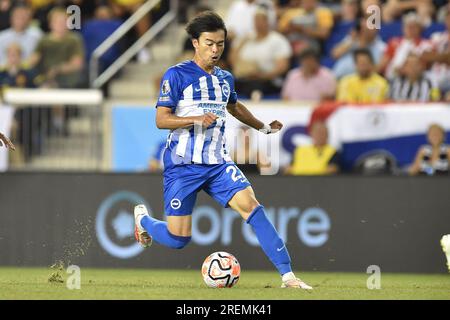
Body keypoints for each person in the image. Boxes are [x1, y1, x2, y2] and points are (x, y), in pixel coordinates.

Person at [133, 11, 312, 290]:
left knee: (254, 208)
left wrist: (263, 127)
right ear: (195, 42)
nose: (215, 50)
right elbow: (161, 119)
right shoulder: (177, 75)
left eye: (220, 44)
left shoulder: (225, 78)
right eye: (209, 43)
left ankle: (288, 278)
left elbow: (234, 106)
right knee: (178, 240)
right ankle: (143, 220)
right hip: (183, 165)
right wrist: (195, 119)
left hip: (217, 163)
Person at [230, 7, 292, 98]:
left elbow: (282, 67)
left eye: (261, 20)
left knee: (255, 86)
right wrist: (242, 43)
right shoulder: (245, 38)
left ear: (268, 22)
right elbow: (232, 60)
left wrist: (262, 75)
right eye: (256, 20)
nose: (258, 23)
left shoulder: (278, 40)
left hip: (268, 80)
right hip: (244, 77)